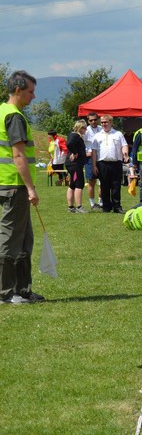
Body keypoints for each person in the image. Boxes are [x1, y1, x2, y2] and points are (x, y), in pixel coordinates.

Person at [0, 70, 44, 303]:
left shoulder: (2, 111)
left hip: (8, 183)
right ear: (18, 90)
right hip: (14, 185)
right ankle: (5, 293)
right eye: (30, 91)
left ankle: (22, 290)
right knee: (10, 240)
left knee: (24, 239)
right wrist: (30, 188)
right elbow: (18, 156)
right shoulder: (14, 116)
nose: (33, 96)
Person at [92, 114, 129, 213]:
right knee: (104, 186)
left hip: (116, 163)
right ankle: (106, 207)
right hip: (102, 164)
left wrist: (125, 154)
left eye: (106, 122)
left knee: (116, 186)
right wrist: (94, 165)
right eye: (102, 122)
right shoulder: (97, 136)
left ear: (111, 122)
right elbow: (94, 151)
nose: (104, 124)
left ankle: (117, 207)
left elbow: (124, 145)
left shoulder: (118, 134)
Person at [65, 119, 88, 213]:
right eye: (85, 128)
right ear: (80, 128)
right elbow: (69, 144)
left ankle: (71, 207)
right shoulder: (75, 135)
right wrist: (75, 152)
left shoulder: (74, 136)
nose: (86, 130)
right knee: (79, 184)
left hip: (73, 164)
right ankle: (79, 207)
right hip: (75, 164)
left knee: (72, 184)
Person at [84, 112, 103, 209]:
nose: (93, 122)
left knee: (103, 180)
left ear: (98, 119)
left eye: (95, 119)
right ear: (88, 121)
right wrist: (85, 153)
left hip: (101, 158)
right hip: (90, 159)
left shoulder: (102, 129)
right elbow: (80, 144)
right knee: (91, 181)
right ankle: (92, 203)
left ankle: (101, 201)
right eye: (91, 120)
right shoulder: (86, 131)